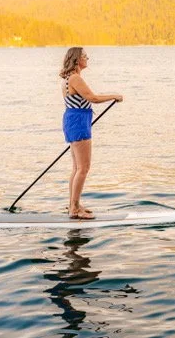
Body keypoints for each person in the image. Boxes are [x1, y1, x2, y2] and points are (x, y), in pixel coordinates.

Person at [59, 47, 123, 219]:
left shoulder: (68, 78)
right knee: (83, 168)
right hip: (78, 123)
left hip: (74, 121)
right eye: (85, 56)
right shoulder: (75, 78)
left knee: (77, 168)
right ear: (77, 60)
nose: (87, 58)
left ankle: (74, 204)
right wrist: (114, 96)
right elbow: (92, 98)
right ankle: (74, 209)